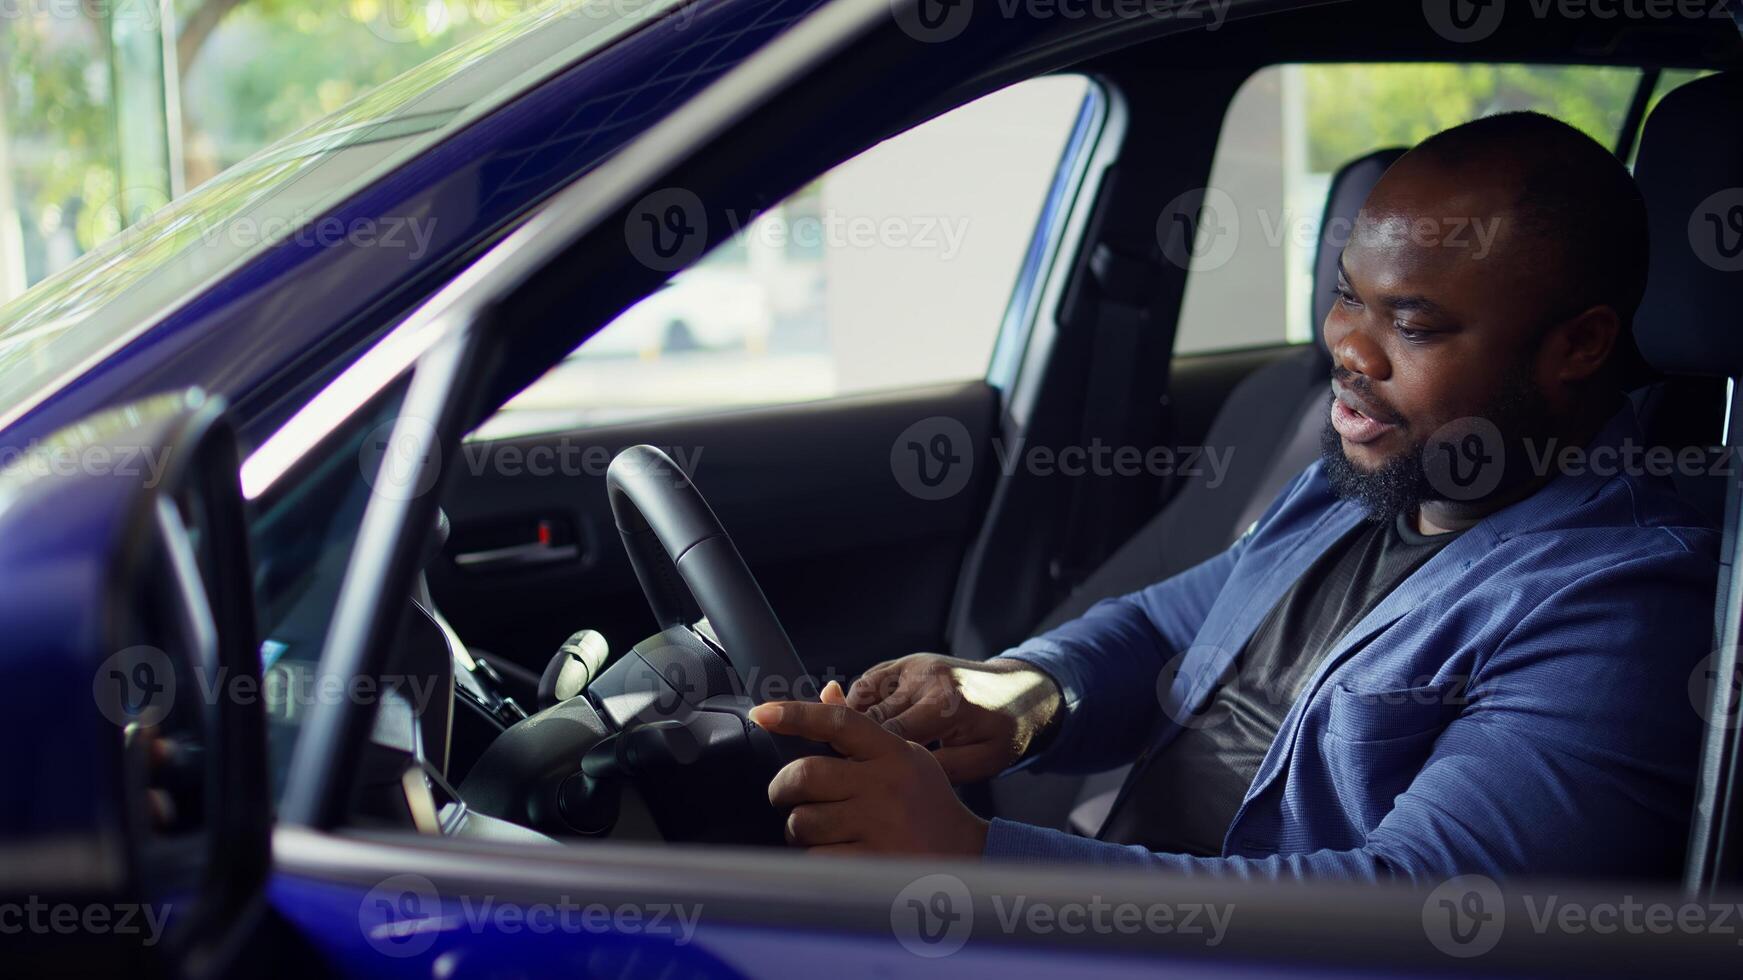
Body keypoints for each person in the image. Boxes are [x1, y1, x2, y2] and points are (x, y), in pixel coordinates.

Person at [747, 112, 1721, 881]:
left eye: (1413, 324)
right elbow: (1172, 623)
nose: (1345, 348)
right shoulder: (1367, 479)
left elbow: (1423, 911)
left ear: (1580, 346)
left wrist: (975, 861)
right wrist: (1014, 694)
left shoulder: (1626, 606)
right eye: (1348, 295)